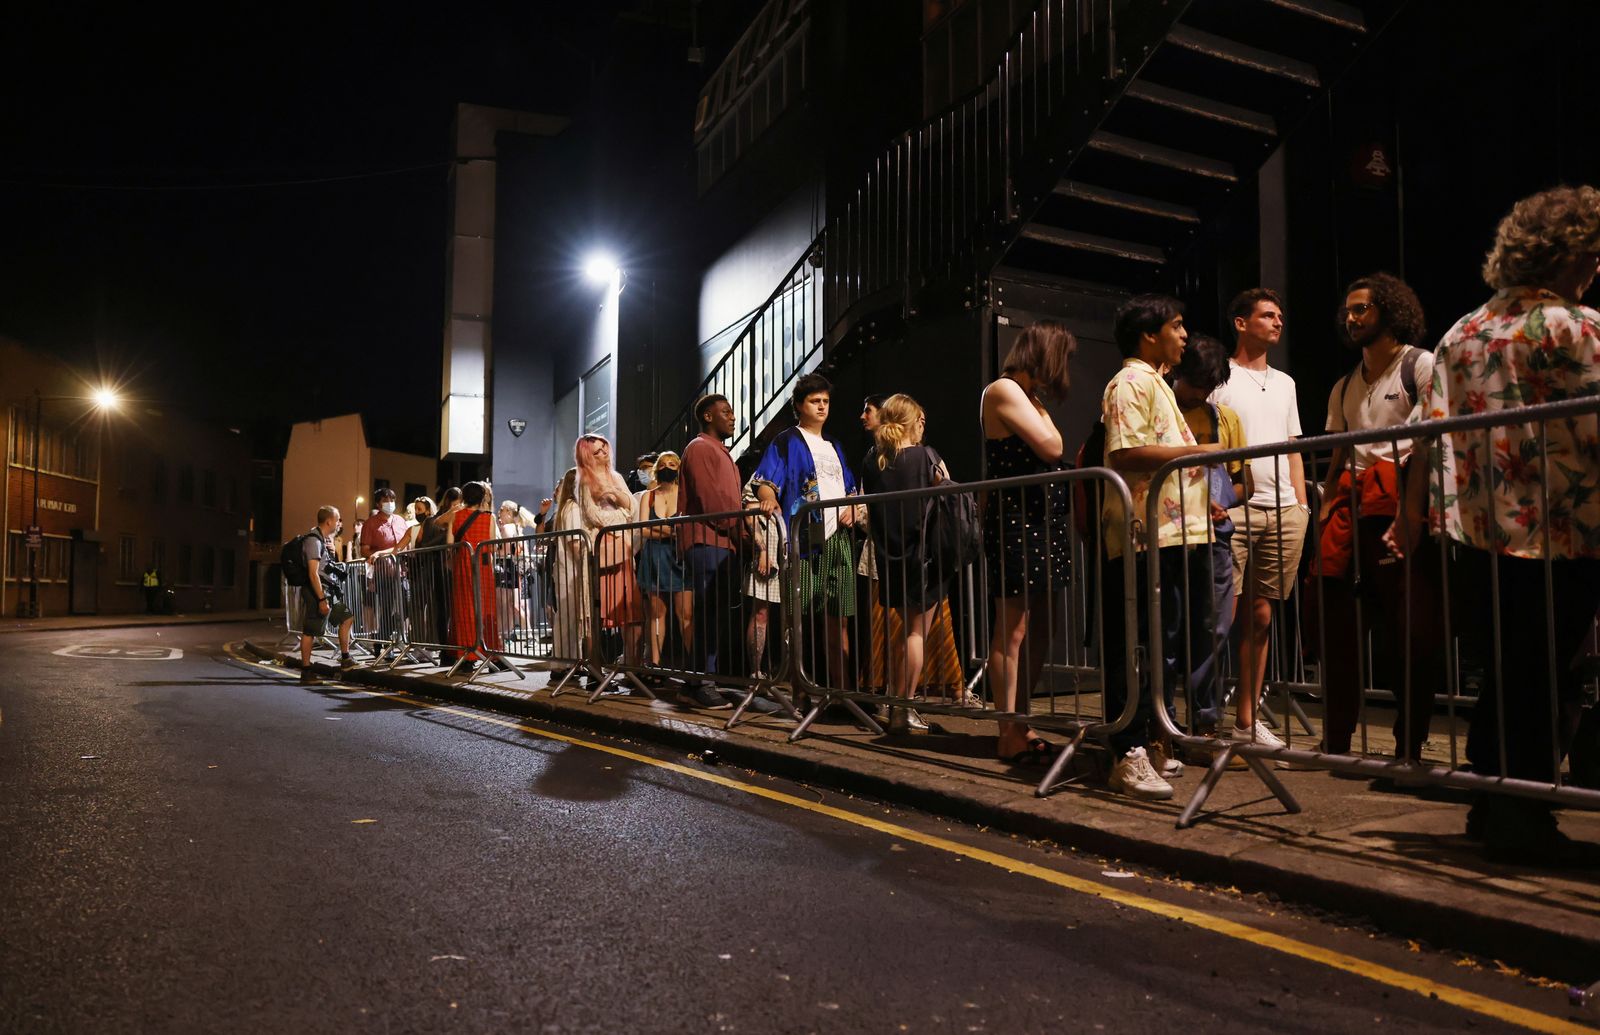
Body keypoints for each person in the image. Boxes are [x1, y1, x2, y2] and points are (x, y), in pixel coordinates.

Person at [1388, 185, 1600, 864]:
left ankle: (1491, 801)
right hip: (1562, 530)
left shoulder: (1461, 332)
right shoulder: (1576, 328)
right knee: (1551, 671)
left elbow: (1423, 436)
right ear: (1572, 257)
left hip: (1476, 532)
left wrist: (1412, 518)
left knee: (1504, 668)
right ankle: (1521, 817)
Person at [1314, 272, 1442, 763]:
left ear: (1389, 310)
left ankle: (1408, 746)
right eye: (1348, 310)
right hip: (1352, 512)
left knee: (1408, 633)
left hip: (1401, 508)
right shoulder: (1344, 384)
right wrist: (1325, 509)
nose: (1352, 318)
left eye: (1362, 308)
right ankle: (1336, 742)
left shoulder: (1420, 365)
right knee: (1339, 629)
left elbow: (1431, 435)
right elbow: (1339, 455)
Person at [1101, 295, 1220, 800]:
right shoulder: (1130, 382)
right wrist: (1200, 450)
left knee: (1160, 642)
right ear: (1149, 335)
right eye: (1176, 325)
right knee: (1136, 644)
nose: (1184, 334)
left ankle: (1149, 742)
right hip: (1143, 534)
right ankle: (1126, 751)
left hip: (1172, 533)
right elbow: (1126, 452)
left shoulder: (1153, 383)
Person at [1210, 287, 1307, 753]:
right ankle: (1204, 717)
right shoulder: (1220, 377)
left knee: (1262, 615)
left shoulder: (1286, 382)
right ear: (1241, 322)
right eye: (1267, 315)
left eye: (1280, 316)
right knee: (1220, 616)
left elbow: (1292, 448)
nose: (1277, 322)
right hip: (1236, 510)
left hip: (1282, 509)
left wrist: (1301, 503)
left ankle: (1247, 720)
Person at [979, 320, 1073, 764]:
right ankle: (1007, 730)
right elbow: (1052, 447)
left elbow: (1052, 443)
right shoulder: (1002, 390)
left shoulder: (1029, 397)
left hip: (1040, 520)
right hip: (1016, 520)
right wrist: (1046, 422)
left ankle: (1020, 719)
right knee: (1012, 629)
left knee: (1042, 623)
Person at [752, 373, 859, 699]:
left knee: (838, 616)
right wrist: (768, 495)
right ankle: (800, 691)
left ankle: (842, 693)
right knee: (798, 618)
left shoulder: (835, 446)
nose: (822, 406)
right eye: (815, 401)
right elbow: (766, 481)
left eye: (826, 401)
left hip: (837, 539)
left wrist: (854, 509)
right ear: (800, 405)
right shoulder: (786, 440)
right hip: (804, 540)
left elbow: (852, 489)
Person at [859, 394, 954, 733]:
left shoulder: (872, 462)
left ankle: (893, 702)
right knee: (917, 633)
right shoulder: (927, 457)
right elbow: (948, 494)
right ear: (913, 421)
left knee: (904, 634)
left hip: (889, 557)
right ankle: (905, 708)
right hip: (924, 556)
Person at [1169, 335, 1248, 736]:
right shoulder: (1162, 409)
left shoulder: (1225, 420)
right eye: (1195, 383)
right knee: (1168, 630)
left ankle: (1205, 724)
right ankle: (1161, 724)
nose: (1200, 393)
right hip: (1168, 536)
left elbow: (1242, 484)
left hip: (1215, 535)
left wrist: (1220, 502)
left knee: (1213, 629)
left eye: (1208, 386)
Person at [677, 394, 744, 709]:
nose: (732, 417)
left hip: (720, 541)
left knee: (713, 616)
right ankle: (701, 682)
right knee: (707, 616)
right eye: (725, 412)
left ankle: (698, 682)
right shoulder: (701, 448)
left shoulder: (718, 451)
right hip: (707, 542)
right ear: (707, 416)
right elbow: (714, 503)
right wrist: (743, 533)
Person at [576, 435, 645, 670]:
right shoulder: (585, 480)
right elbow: (592, 516)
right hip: (603, 554)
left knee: (632, 613)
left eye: (604, 448)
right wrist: (621, 514)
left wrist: (619, 503)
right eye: (597, 452)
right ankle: (596, 668)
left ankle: (632, 666)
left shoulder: (615, 477)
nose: (604, 453)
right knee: (597, 615)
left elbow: (633, 507)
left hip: (623, 551)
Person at [635, 451, 694, 679]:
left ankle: (692, 664)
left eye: (672, 464)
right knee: (657, 613)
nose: (667, 467)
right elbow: (642, 528)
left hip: (679, 558)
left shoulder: (685, 496)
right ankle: (656, 664)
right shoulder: (648, 497)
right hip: (655, 558)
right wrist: (670, 531)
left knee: (685, 613)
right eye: (664, 464)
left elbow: (687, 529)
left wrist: (660, 531)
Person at [297, 506, 355, 686]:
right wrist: (321, 599)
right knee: (311, 630)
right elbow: (313, 573)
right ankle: (306, 671)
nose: (339, 524)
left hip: (329, 591)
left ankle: (345, 659)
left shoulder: (323, 540)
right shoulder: (313, 540)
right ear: (329, 521)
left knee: (346, 617)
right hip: (318, 591)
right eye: (337, 520)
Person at [448, 481, 501, 661]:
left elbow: (450, 544)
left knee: (465, 609)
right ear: (482, 498)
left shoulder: (456, 516)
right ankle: (491, 651)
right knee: (486, 609)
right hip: (483, 567)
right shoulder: (489, 518)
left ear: (464, 497)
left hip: (463, 565)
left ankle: (467, 653)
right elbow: (493, 547)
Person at [360, 487, 410, 653]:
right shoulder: (371, 523)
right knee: (387, 606)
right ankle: (383, 641)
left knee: (407, 603)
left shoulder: (400, 521)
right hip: (383, 572)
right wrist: (377, 555)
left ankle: (382, 635)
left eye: (392, 500)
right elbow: (364, 549)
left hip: (402, 571)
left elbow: (405, 544)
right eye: (385, 500)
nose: (390, 503)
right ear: (378, 503)